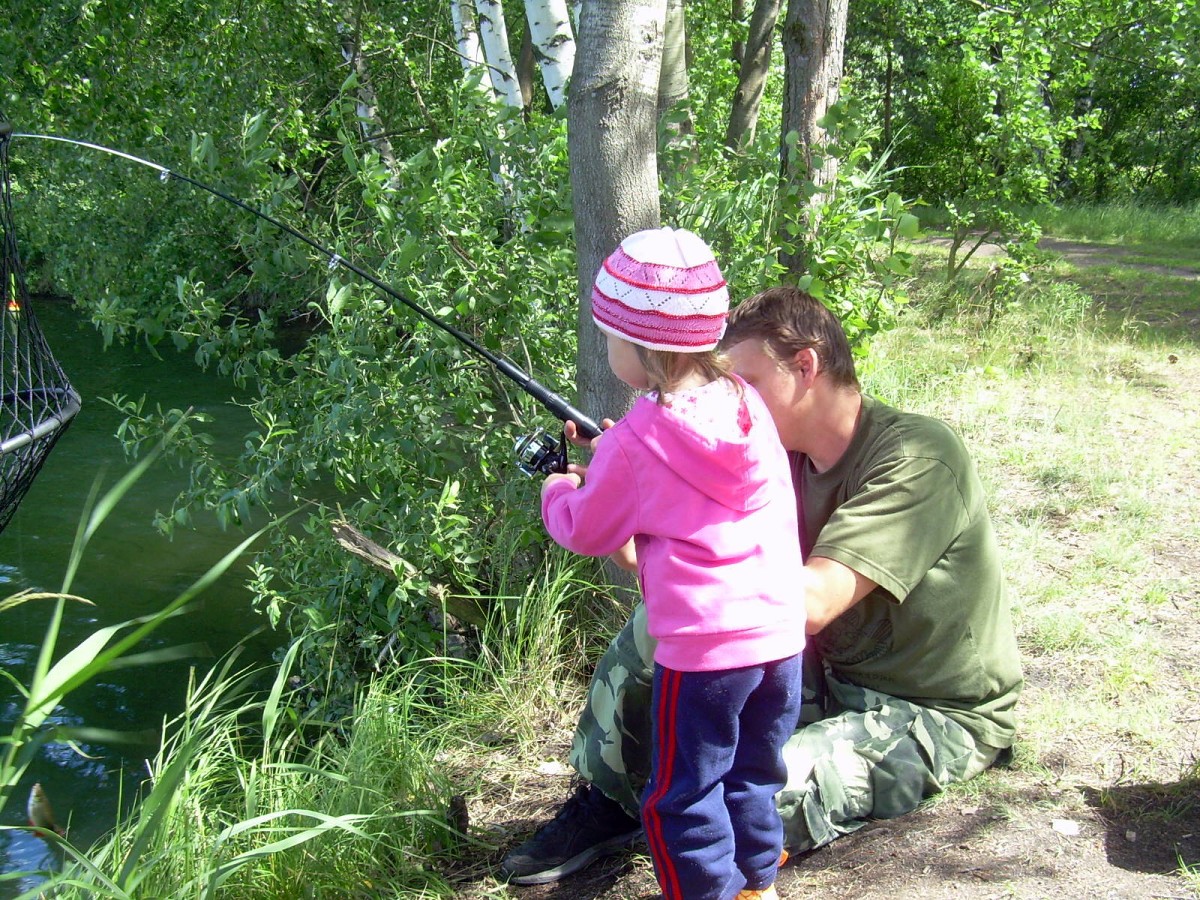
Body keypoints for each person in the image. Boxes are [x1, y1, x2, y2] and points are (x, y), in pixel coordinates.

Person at [501, 284, 1025, 887]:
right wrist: (634, 492)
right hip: (809, 672)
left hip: (923, 708)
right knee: (660, 639)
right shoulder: (760, 450)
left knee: (740, 809)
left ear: (806, 366)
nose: (720, 396)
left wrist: (656, 486)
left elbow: (808, 604)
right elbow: (678, 587)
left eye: (741, 377)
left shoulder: (918, 456)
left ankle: (675, 824)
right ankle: (613, 799)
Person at [538, 228, 806, 900]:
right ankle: (756, 888)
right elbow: (695, 484)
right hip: (779, 639)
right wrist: (616, 454)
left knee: (680, 796)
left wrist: (558, 486)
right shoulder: (746, 403)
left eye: (610, 338)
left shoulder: (634, 443)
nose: (608, 349)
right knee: (750, 774)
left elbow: (586, 528)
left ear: (639, 347)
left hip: (705, 656)